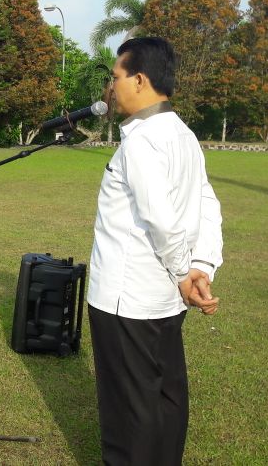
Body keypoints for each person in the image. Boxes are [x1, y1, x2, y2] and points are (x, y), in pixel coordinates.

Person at [88, 37, 223, 466]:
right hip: (163, 297)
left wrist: (186, 272)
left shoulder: (143, 141)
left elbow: (161, 218)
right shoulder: (183, 135)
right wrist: (200, 265)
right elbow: (207, 204)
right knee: (165, 396)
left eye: (116, 77)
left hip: (127, 298)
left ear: (140, 80)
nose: (112, 87)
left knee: (130, 410)